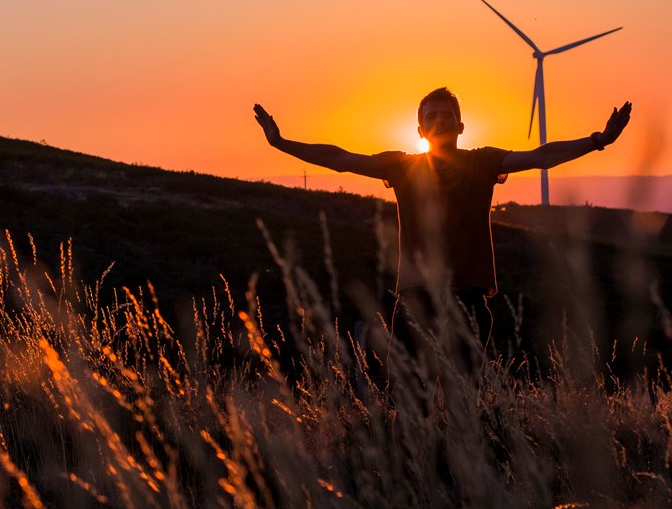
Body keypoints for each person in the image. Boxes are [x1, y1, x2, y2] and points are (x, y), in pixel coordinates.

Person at [253, 87, 631, 369]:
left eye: (445, 115)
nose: (437, 122)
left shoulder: (483, 163)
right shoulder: (402, 167)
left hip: (469, 299)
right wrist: (281, 143)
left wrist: (599, 140)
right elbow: (339, 158)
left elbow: (541, 156)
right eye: (429, 117)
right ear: (419, 129)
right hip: (415, 299)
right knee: (408, 402)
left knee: (464, 402)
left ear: (460, 124)